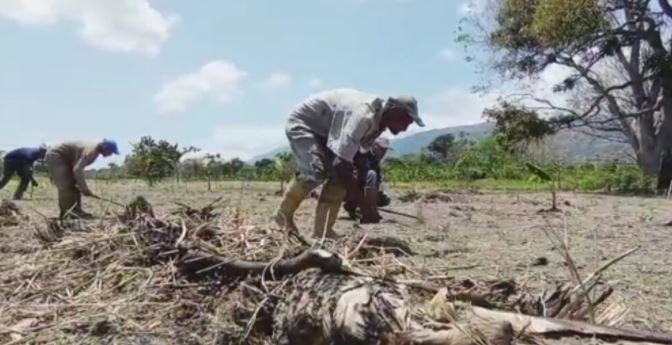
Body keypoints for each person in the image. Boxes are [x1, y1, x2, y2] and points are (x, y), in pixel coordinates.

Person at [273, 88, 423, 238]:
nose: (405, 128)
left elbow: (358, 160)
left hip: (329, 131)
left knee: (340, 179)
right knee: (316, 171)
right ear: (394, 111)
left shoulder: (378, 123)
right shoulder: (363, 116)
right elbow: (341, 164)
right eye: (405, 121)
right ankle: (283, 215)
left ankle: (323, 232)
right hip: (306, 123)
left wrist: (360, 197)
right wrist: (363, 203)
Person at [45, 139, 119, 218]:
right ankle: (67, 213)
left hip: (67, 158)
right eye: (111, 152)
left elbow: (76, 169)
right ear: (104, 147)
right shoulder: (91, 151)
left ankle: (76, 211)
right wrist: (85, 189)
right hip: (56, 155)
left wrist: (81, 186)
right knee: (65, 185)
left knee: (75, 185)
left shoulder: (95, 151)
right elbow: (77, 170)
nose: (110, 154)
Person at [343, 137, 392, 223]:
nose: (383, 152)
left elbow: (376, 183)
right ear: (374, 146)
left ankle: (367, 209)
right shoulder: (362, 154)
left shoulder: (376, 161)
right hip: (349, 187)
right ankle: (357, 208)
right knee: (371, 174)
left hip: (362, 188)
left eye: (385, 150)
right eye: (381, 149)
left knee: (385, 199)